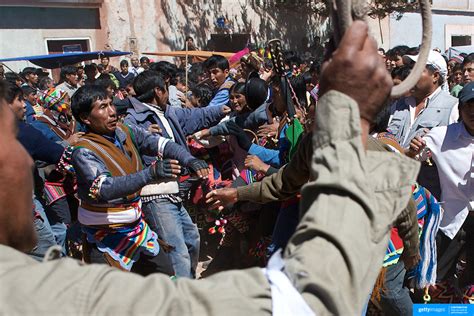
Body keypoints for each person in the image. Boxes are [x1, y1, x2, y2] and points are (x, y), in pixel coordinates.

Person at [0, 21, 419, 316]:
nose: (30, 153)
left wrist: (220, 182)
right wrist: (349, 115)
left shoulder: (28, 284)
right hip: (123, 227)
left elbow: (170, 142)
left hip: (141, 223)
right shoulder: (45, 294)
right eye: (15, 135)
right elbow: (298, 302)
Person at [125, 71, 227, 277]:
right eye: (165, 88)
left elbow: (195, 116)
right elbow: (146, 146)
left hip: (172, 190)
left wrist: (220, 110)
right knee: (177, 251)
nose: (168, 93)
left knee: (192, 240)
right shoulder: (133, 120)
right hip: (155, 195)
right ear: (158, 91)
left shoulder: (168, 112)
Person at [407, 82, 474, 289]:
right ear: (460, 109)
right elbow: (409, 160)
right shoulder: (442, 136)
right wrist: (413, 149)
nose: (472, 112)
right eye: (467, 107)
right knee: (433, 282)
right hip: (454, 220)